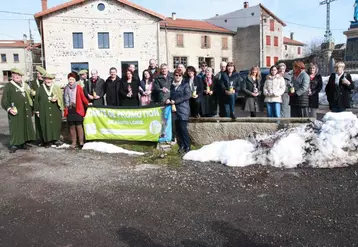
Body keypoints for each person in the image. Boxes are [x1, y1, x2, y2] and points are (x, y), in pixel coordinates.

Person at [1, 68, 35, 153]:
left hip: (26, 110)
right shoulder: (9, 86)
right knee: (15, 127)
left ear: (21, 76)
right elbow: (4, 100)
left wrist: (32, 108)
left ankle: (23, 142)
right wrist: (9, 109)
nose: (17, 77)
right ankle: (14, 144)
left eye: (18, 75)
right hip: (15, 111)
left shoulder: (25, 85)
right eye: (15, 75)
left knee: (24, 126)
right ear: (12, 76)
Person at [34, 73, 64, 147]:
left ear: (52, 80)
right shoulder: (40, 88)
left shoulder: (56, 88)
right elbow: (36, 100)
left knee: (55, 124)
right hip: (44, 110)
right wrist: (37, 111)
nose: (48, 81)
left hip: (55, 109)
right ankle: (47, 141)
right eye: (46, 79)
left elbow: (61, 98)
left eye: (50, 79)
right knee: (45, 124)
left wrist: (57, 100)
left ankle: (56, 139)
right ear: (44, 80)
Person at [166, 69, 191, 153]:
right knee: (178, 129)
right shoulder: (172, 86)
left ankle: (187, 146)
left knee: (183, 128)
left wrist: (175, 101)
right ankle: (182, 145)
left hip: (183, 109)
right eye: (176, 75)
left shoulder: (185, 85)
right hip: (174, 110)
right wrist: (168, 100)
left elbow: (187, 95)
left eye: (179, 75)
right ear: (174, 76)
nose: (177, 77)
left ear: (182, 76)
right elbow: (171, 96)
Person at [63, 72, 89, 149]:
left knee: (79, 125)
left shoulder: (79, 87)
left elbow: (83, 97)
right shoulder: (66, 88)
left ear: (75, 80)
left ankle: (81, 142)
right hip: (70, 109)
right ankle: (74, 142)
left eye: (72, 79)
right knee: (71, 126)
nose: (70, 81)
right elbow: (64, 99)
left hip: (78, 109)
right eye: (69, 79)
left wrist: (88, 103)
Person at [30, 65, 46, 145]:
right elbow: (30, 92)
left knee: (45, 122)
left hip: (45, 104)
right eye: (38, 74)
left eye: (40, 74)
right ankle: (39, 138)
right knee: (38, 122)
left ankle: (46, 138)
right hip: (37, 104)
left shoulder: (46, 82)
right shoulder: (33, 83)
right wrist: (32, 93)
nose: (39, 76)